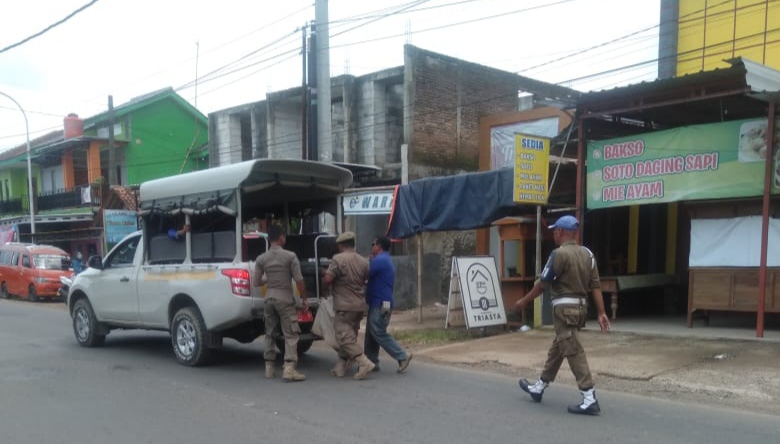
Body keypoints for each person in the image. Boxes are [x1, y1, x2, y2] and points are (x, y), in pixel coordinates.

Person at [514, 215, 611, 416]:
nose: (554, 234)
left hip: (563, 310)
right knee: (559, 347)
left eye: (555, 230)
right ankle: (539, 387)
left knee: (573, 350)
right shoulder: (588, 254)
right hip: (580, 309)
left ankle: (589, 396)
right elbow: (596, 286)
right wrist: (601, 312)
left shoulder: (558, 255)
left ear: (561, 232)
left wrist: (523, 301)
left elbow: (543, 284)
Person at [253, 224, 307, 382]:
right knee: (291, 333)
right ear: (282, 237)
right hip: (285, 299)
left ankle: (269, 368)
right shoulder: (290, 256)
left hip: (269, 299)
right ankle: (289, 368)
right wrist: (304, 298)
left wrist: (269, 279)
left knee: (270, 332)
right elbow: (299, 281)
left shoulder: (261, 258)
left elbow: (257, 282)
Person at [321, 231, 375, 380]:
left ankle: (364, 362)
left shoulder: (338, 259)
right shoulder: (363, 261)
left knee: (343, 337)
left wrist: (324, 286)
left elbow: (328, 279)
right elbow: (365, 279)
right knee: (349, 336)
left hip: (344, 305)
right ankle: (340, 368)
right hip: (359, 305)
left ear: (341, 245)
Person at [364, 235, 412, 373]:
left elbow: (365, 275)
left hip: (380, 303)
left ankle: (402, 356)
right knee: (371, 333)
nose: (371, 246)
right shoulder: (383, 259)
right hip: (380, 302)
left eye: (372, 244)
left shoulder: (379, 260)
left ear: (378, 246)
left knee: (377, 332)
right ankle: (371, 361)